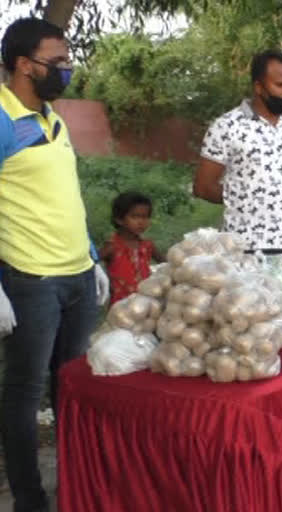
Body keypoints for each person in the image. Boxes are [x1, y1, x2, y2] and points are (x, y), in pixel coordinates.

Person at [0, 18, 110, 511]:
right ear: (24, 64)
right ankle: (29, 498)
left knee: (73, 387)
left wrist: (91, 256)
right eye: (57, 61)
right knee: (25, 394)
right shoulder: (2, 119)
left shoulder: (54, 119)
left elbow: (65, 196)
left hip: (77, 278)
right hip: (31, 280)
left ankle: (78, 484)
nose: (66, 70)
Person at [194, 50, 282, 270]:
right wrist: (243, 198)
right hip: (245, 248)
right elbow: (203, 187)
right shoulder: (227, 126)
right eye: (280, 85)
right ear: (259, 87)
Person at [100, 192, 165, 304]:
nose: (141, 222)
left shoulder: (147, 245)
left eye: (145, 217)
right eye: (135, 217)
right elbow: (90, 264)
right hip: (120, 307)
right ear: (119, 219)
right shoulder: (112, 246)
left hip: (146, 304)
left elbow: (166, 263)